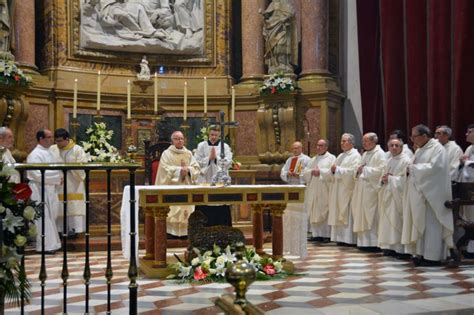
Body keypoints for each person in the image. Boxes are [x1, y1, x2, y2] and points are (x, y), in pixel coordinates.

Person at [402, 124, 454, 266]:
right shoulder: (420, 150)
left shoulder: (437, 149)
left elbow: (436, 168)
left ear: (424, 136)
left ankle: (432, 257)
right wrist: (410, 170)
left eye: (414, 136)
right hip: (420, 195)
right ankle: (420, 253)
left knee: (432, 226)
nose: (412, 140)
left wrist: (413, 169)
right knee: (420, 223)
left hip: (432, 196)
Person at [155, 131, 200, 237]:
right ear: (172, 141)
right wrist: (179, 171)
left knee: (187, 209)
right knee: (173, 209)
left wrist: (188, 170)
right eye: (177, 138)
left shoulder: (188, 153)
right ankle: (171, 233)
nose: (180, 141)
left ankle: (186, 233)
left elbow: (196, 168)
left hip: (186, 186)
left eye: (181, 138)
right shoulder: (167, 153)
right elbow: (164, 169)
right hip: (172, 188)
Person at [27, 129, 62, 254]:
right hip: (39, 189)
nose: (51, 139)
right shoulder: (35, 154)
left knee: (51, 217)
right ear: (41, 139)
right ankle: (45, 246)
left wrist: (58, 176)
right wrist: (58, 177)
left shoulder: (49, 152)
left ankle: (53, 244)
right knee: (44, 218)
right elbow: (36, 174)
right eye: (49, 137)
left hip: (50, 188)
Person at [50, 128, 88, 236]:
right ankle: (60, 230)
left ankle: (74, 230)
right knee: (59, 206)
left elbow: (82, 167)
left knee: (73, 206)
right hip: (58, 181)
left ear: (67, 139)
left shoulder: (77, 149)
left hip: (73, 182)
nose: (58, 143)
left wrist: (70, 167)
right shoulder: (53, 149)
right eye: (56, 141)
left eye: (60, 141)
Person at [351, 133, 386, 249]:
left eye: (366, 141)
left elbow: (381, 170)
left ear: (373, 141)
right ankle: (363, 242)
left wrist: (365, 170)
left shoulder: (380, 154)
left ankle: (373, 243)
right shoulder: (365, 154)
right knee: (362, 215)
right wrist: (358, 170)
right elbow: (358, 168)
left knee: (372, 216)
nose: (364, 143)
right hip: (362, 190)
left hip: (371, 190)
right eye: (363, 141)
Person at [378, 138, 411, 256]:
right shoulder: (389, 160)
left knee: (397, 221)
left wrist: (391, 179)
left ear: (401, 147)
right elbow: (383, 176)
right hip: (388, 194)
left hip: (398, 196)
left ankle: (400, 249)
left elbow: (406, 180)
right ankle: (389, 246)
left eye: (397, 145)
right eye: (391, 145)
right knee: (388, 221)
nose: (394, 147)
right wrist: (383, 179)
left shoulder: (406, 160)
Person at [194, 126, 233, 226]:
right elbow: (196, 162)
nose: (214, 137)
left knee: (220, 203)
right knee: (205, 203)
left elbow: (228, 162)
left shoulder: (225, 146)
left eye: (216, 135)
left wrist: (216, 158)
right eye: (212, 135)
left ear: (219, 135)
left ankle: (222, 229)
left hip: (219, 179)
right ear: (208, 134)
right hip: (205, 178)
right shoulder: (201, 146)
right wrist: (209, 158)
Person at [328, 133, 361, 245]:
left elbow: (353, 172)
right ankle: (340, 238)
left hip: (347, 189)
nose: (342, 143)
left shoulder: (355, 156)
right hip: (338, 188)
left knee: (346, 212)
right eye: (341, 141)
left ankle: (348, 239)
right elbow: (334, 170)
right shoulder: (340, 156)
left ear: (351, 142)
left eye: (344, 141)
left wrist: (338, 170)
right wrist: (333, 170)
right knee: (338, 210)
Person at [280, 141, 310, 258]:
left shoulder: (306, 159)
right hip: (291, 187)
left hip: (301, 187)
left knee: (300, 211)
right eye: (293, 148)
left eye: (297, 148)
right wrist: (288, 173)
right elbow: (283, 172)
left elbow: (307, 173)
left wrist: (300, 175)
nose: (295, 150)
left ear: (301, 148)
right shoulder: (289, 160)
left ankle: (302, 231)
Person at [303, 139, 336, 242]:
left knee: (324, 209)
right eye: (317, 145)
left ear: (326, 147)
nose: (318, 147)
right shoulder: (313, 159)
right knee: (314, 209)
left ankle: (326, 234)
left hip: (324, 189)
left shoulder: (331, 158)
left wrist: (320, 172)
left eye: (321, 145)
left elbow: (332, 172)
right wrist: (311, 172)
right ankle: (316, 233)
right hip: (313, 189)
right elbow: (305, 172)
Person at [261, 0, 297, 74]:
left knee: (281, 44)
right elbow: (268, 15)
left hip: (282, 28)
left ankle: (283, 63)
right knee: (274, 47)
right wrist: (264, 15)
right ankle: (275, 65)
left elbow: (291, 13)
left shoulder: (285, 3)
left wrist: (285, 18)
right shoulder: (272, 4)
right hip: (273, 28)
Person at [457, 124, 474, 255]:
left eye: (469, 132)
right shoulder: (469, 148)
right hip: (467, 187)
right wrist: (463, 162)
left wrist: (467, 162)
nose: (466, 134)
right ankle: (469, 247)